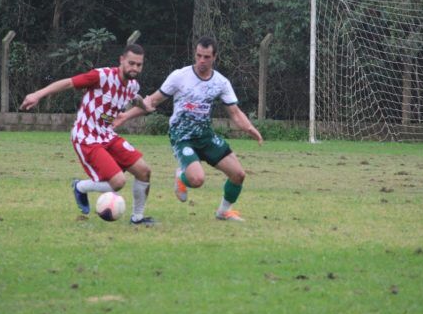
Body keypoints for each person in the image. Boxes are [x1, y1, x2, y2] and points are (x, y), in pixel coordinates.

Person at [115, 36, 263, 222]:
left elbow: (234, 112)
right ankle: (182, 177)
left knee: (238, 175)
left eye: (206, 57)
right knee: (197, 180)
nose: (202, 60)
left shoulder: (221, 82)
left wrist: (249, 128)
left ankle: (223, 212)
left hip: (205, 136)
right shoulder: (180, 76)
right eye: (199, 55)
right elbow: (152, 100)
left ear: (214, 57)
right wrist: (125, 116)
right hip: (182, 137)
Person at [20, 44, 157, 225]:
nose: (135, 68)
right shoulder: (101, 76)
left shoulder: (132, 85)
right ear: (121, 60)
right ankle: (80, 187)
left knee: (144, 171)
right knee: (118, 182)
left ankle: (137, 218)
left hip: (107, 135)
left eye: (139, 65)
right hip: (86, 136)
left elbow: (135, 96)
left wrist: (145, 106)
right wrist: (38, 94)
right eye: (131, 63)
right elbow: (69, 82)